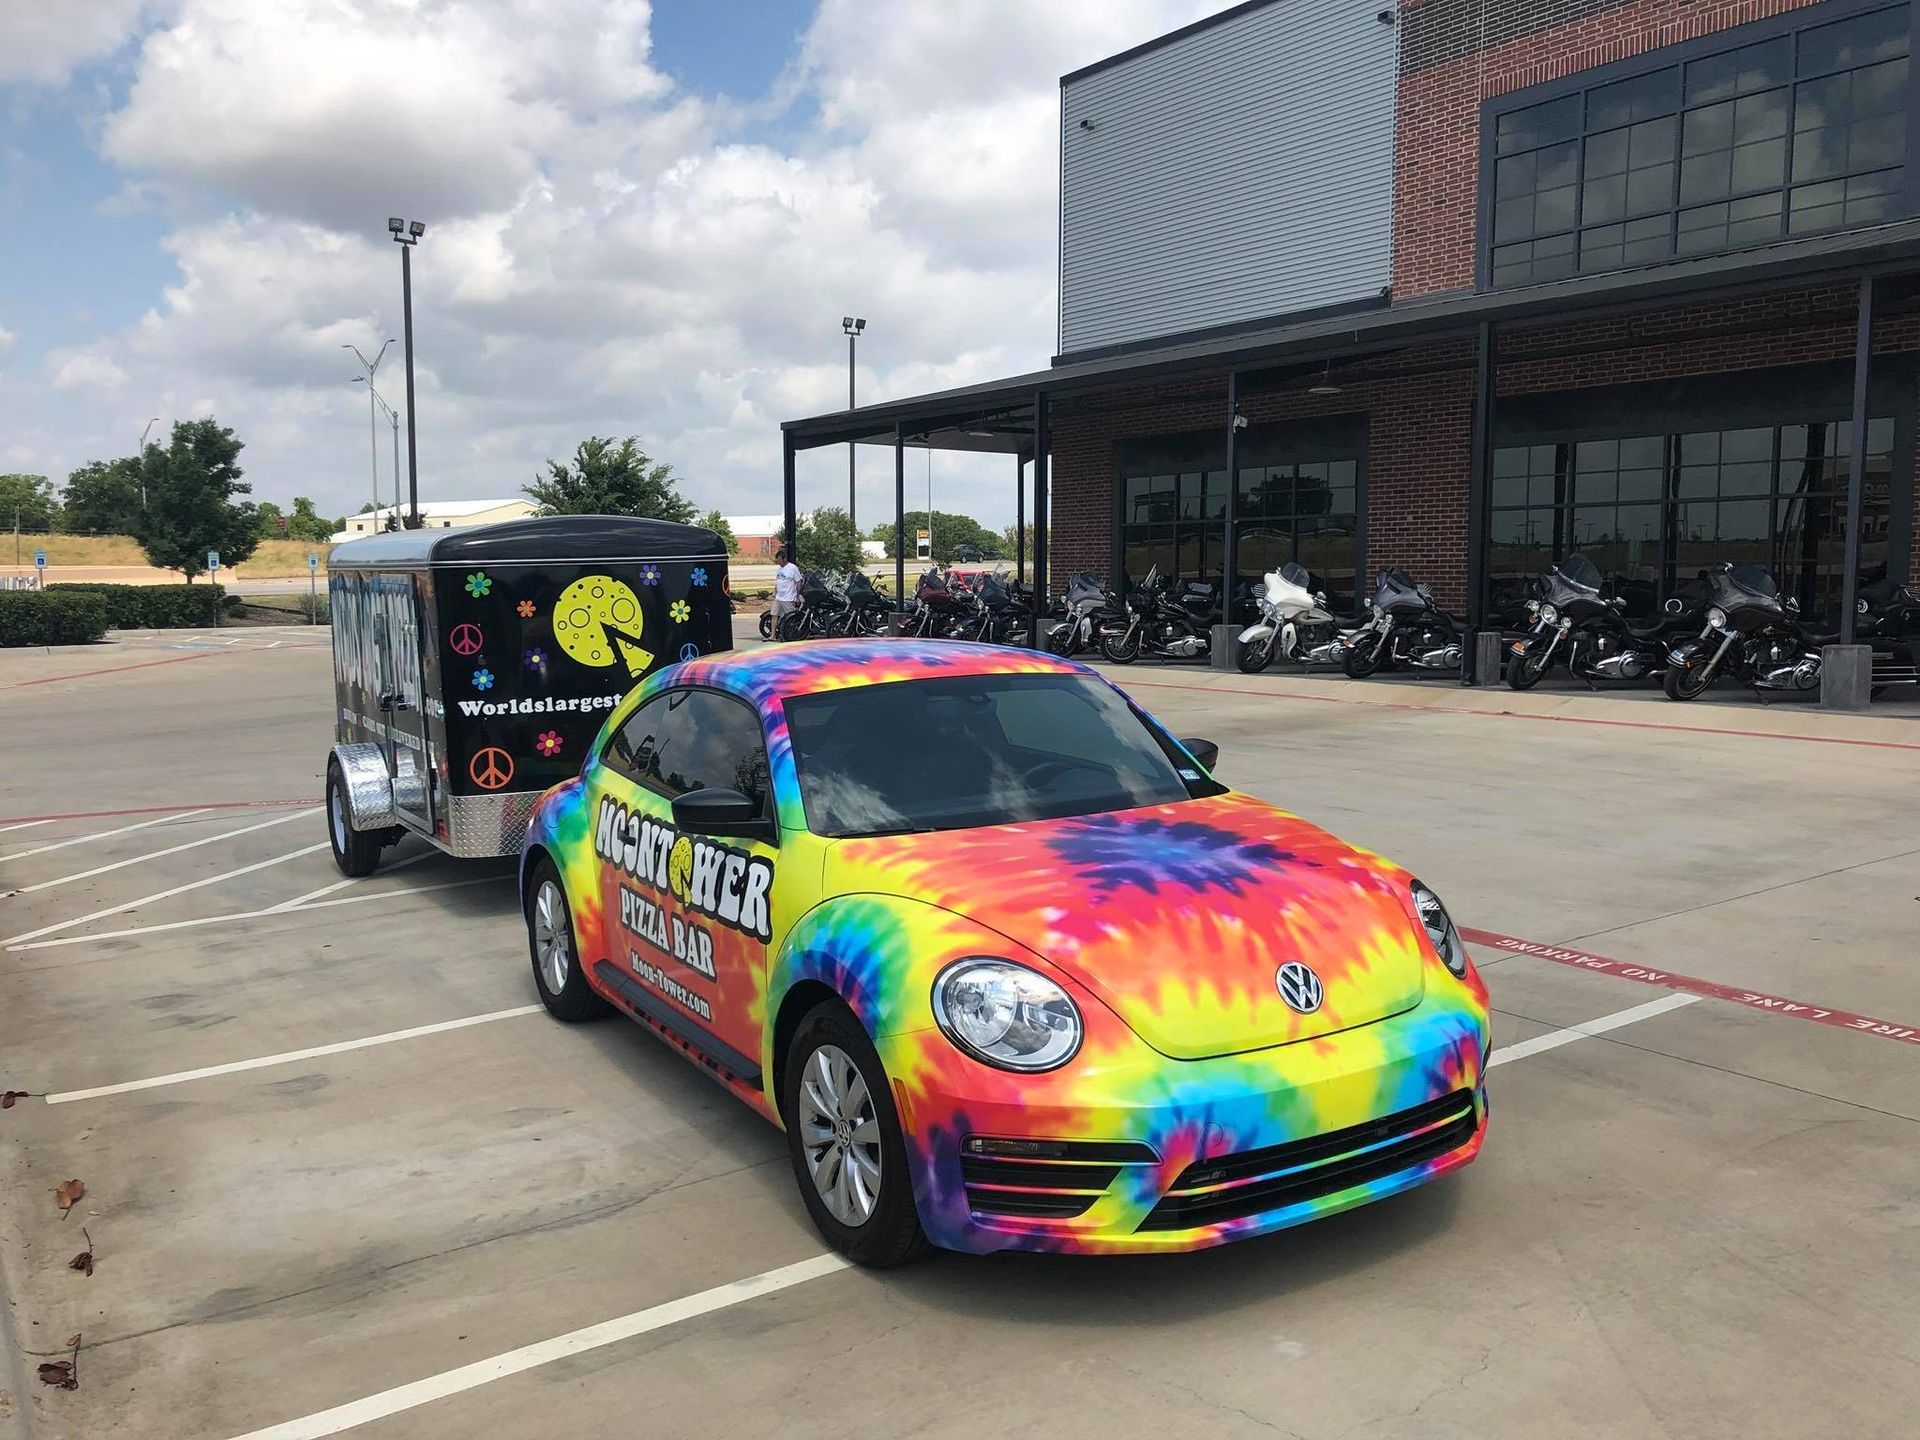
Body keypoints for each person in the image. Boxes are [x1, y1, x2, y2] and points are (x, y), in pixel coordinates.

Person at [772, 545, 803, 640]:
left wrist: (797, 596)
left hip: (788, 598)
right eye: (777, 561)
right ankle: (772, 635)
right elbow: (778, 581)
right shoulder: (779, 569)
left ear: (785, 559)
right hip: (778, 597)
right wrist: (774, 592)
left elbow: (799, 582)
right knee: (774, 615)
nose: (779, 563)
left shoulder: (793, 568)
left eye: (780, 560)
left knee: (790, 618)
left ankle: (790, 635)